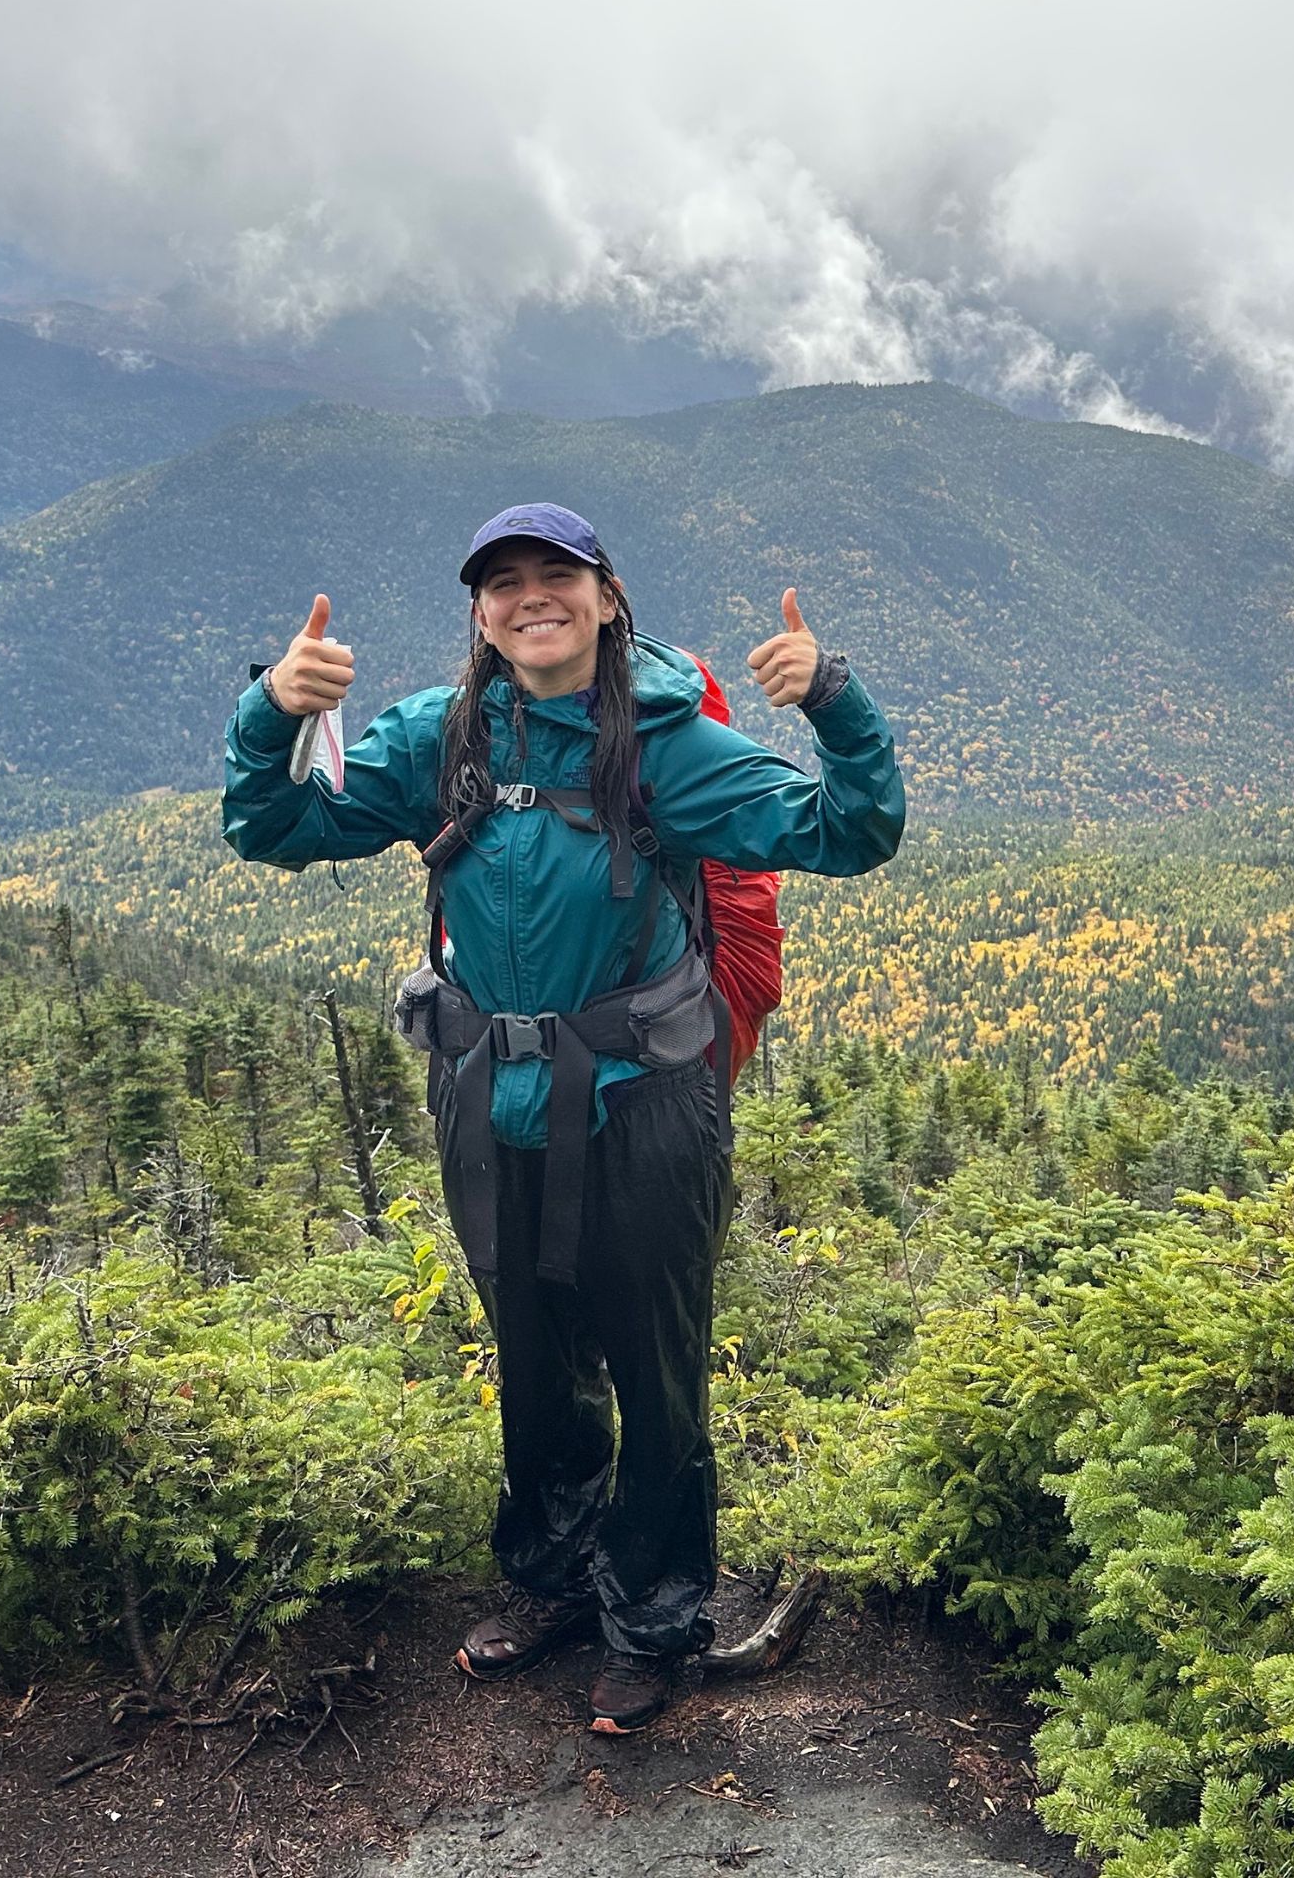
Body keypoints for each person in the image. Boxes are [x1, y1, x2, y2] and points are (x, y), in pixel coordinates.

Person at [222, 502, 903, 1733]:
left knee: (653, 1368)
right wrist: (271, 710)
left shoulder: (662, 745)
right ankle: (549, 1579)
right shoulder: (442, 738)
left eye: (557, 576)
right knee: (534, 1361)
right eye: (504, 583)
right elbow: (272, 827)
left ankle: (652, 1617)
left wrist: (833, 699)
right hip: (490, 1096)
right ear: (479, 612)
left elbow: (852, 830)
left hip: (646, 1101)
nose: (531, 597)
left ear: (604, 596)